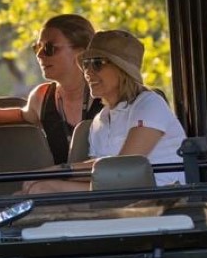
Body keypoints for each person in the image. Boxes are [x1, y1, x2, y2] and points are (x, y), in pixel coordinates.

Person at [21, 29, 188, 193]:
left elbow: (122, 168)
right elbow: (101, 175)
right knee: (35, 191)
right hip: (120, 197)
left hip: (164, 201)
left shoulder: (149, 104)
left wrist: (56, 172)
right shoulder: (100, 120)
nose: (88, 72)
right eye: (86, 64)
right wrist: (49, 176)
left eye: (97, 64)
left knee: (42, 189)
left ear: (122, 70)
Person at [0, 14, 102, 165]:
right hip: (56, 187)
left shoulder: (109, 94)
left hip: (108, 186)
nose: (39, 55)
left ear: (81, 51)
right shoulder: (41, 97)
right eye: (37, 47)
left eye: (49, 48)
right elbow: (23, 115)